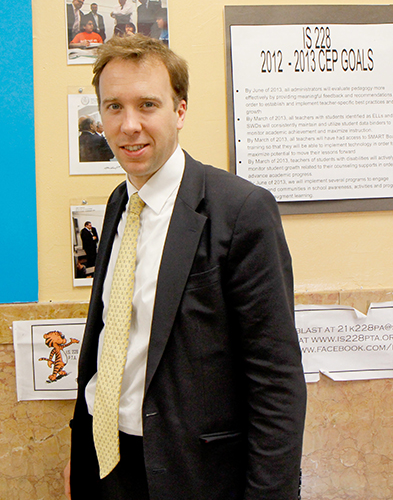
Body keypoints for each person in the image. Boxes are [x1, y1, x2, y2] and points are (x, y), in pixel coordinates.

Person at [65, 35, 306, 500]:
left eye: (147, 105)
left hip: (193, 475)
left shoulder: (240, 210)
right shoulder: (119, 203)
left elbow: (276, 380)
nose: (129, 125)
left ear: (179, 111)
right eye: (114, 107)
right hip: (107, 461)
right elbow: (112, 342)